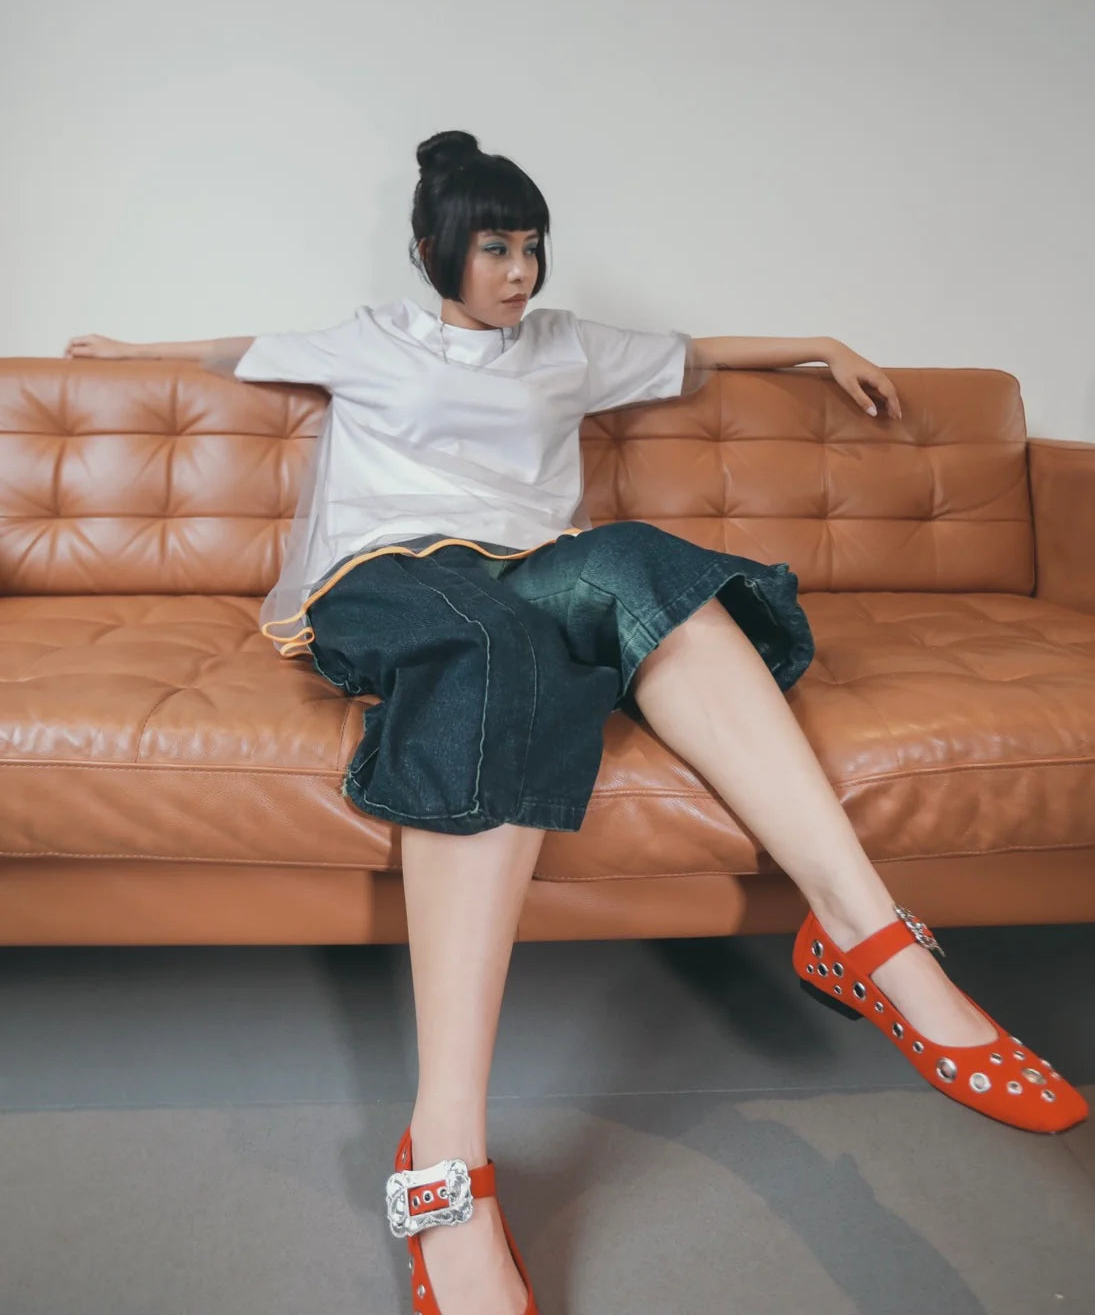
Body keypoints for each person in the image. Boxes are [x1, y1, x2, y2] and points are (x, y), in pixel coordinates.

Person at [65, 130, 1087, 1315]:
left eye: (532, 246)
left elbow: (700, 355)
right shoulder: (372, 338)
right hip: (386, 575)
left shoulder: (567, 349)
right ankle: (443, 1148)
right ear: (432, 249)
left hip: (527, 566)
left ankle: (872, 945)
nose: (518, 270)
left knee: (648, 565)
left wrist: (823, 345)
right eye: (495, 246)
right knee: (496, 647)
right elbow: (236, 347)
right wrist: (129, 353)